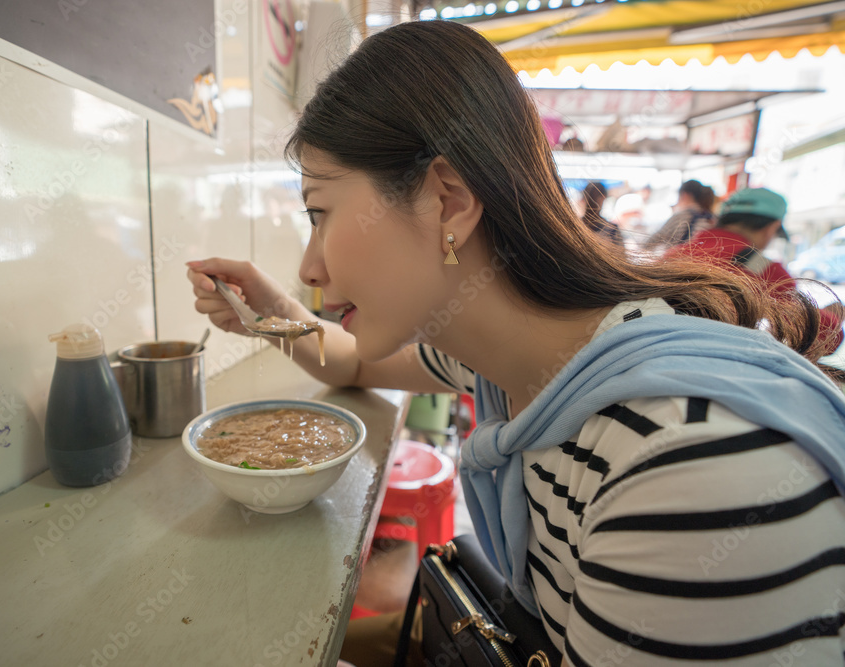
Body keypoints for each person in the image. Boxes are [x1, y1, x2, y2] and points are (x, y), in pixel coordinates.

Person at [187, 19, 845, 666]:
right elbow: (353, 357)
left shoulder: (688, 465)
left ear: (446, 201)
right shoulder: (502, 360)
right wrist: (265, 315)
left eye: (320, 213)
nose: (309, 267)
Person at [666, 187, 844, 353]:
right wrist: (832, 316)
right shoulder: (762, 268)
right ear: (771, 228)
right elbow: (822, 337)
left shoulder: (672, 255)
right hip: (712, 362)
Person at [645, 179, 716, 252]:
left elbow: (651, 242)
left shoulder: (681, 217)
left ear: (685, 195)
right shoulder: (712, 219)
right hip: (704, 262)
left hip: (679, 262)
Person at [579, 181, 624, 249]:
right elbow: (621, 255)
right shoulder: (611, 229)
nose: (593, 202)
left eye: (595, 197)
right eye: (591, 197)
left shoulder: (575, 226)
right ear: (603, 198)